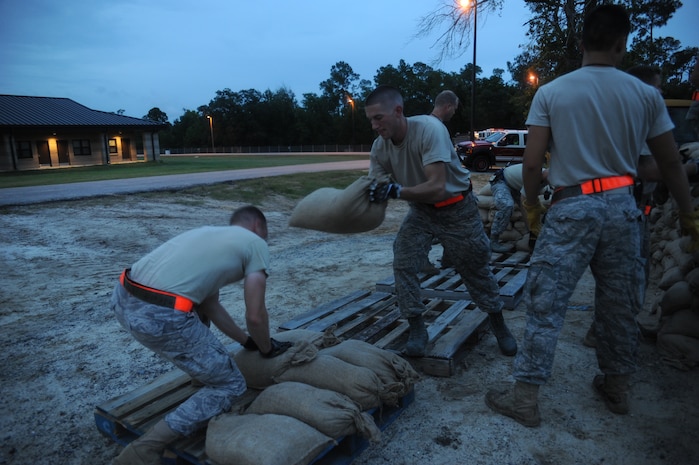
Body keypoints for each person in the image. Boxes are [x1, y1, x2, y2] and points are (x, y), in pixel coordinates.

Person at [484, 4, 699, 426]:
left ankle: (525, 399)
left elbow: (531, 165)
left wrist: (530, 206)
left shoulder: (552, 92)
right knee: (619, 306)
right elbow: (671, 163)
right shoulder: (645, 95)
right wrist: (689, 216)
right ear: (623, 44)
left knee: (547, 304)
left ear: (581, 42)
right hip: (623, 207)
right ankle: (617, 389)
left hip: (571, 206)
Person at [111, 205, 292, 465]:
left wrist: (246, 342)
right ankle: (144, 450)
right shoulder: (255, 243)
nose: (265, 239)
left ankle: (203, 375)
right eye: (265, 233)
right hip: (161, 317)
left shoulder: (208, 236)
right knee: (231, 385)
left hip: (122, 299)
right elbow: (255, 315)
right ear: (256, 227)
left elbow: (210, 306)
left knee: (196, 312)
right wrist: (266, 348)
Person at [365, 85, 517, 358]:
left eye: (379, 118)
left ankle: (499, 324)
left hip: (458, 210)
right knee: (403, 261)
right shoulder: (380, 147)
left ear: (398, 111)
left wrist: (395, 191)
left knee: (476, 270)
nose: (375, 126)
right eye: (371, 120)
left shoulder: (429, 130)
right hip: (421, 211)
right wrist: (372, 194)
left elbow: (436, 186)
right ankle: (417, 328)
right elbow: (377, 185)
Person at [422, 90, 460, 274]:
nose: (455, 113)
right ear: (448, 106)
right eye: (455, 109)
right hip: (441, 188)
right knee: (450, 225)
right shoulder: (437, 128)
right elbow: (441, 162)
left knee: (438, 226)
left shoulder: (425, 124)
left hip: (431, 186)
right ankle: (432, 260)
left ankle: (446, 258)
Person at [488, 163, 550, 253]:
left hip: (516, 187)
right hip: (501, 182)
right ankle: (493, 241)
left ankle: (529, 233)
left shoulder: (547, 181)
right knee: (507, 205)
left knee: (534, 207)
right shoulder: (534, 177)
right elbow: (524, 203)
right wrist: (531, 228)